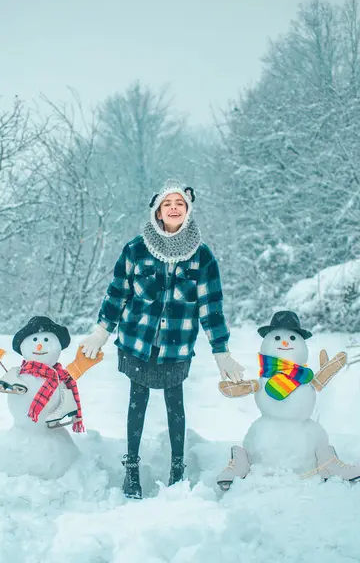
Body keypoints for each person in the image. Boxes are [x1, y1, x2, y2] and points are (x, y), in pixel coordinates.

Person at [80, 179, 245, 499]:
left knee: (176, 405)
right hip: (136, 342)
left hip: (176, 345)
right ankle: (131, 469)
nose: (173, 208)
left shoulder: (202, 257)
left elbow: (211, 306)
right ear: (157, 210)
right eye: (168, 203)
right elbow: (117, 293)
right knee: (136, 402)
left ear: (187, 211)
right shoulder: (135, 249)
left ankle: (178, 468)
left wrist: (221, 351)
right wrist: (102, 330)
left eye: (180, 204)